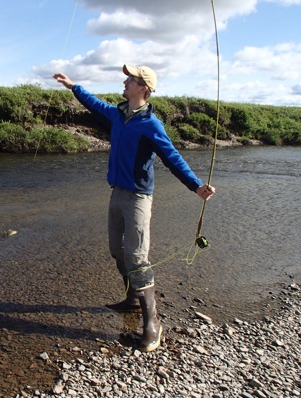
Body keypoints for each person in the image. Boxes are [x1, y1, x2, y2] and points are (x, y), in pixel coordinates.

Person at [53, 65, 216, 353]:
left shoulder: (151, 124)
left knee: (137, 257)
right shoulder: (118, 114)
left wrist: (196, 186)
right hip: (116, 193)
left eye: (130, 79)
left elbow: (172, 157)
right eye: (126, 78)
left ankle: (152, 323)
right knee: (117, 250)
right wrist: (73, 86)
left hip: (139, 197)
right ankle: (131, 298)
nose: (124, 82)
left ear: (143, 88)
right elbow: (94, 104)